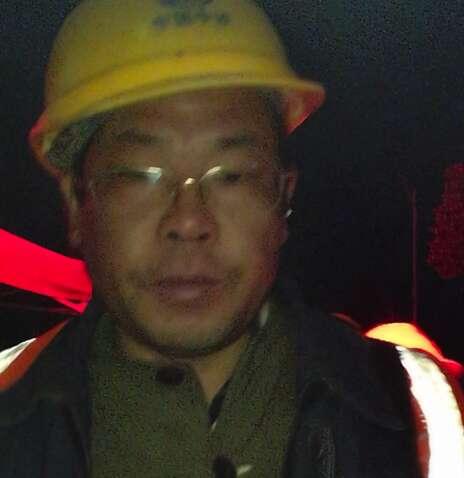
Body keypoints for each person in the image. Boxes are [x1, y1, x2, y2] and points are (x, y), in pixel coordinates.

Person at [0, 1, 463, 477]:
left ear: (283, 197)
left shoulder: (424, 417)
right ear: (76, 203)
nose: (188, 221)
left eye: (232, 175)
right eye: (141, 175)